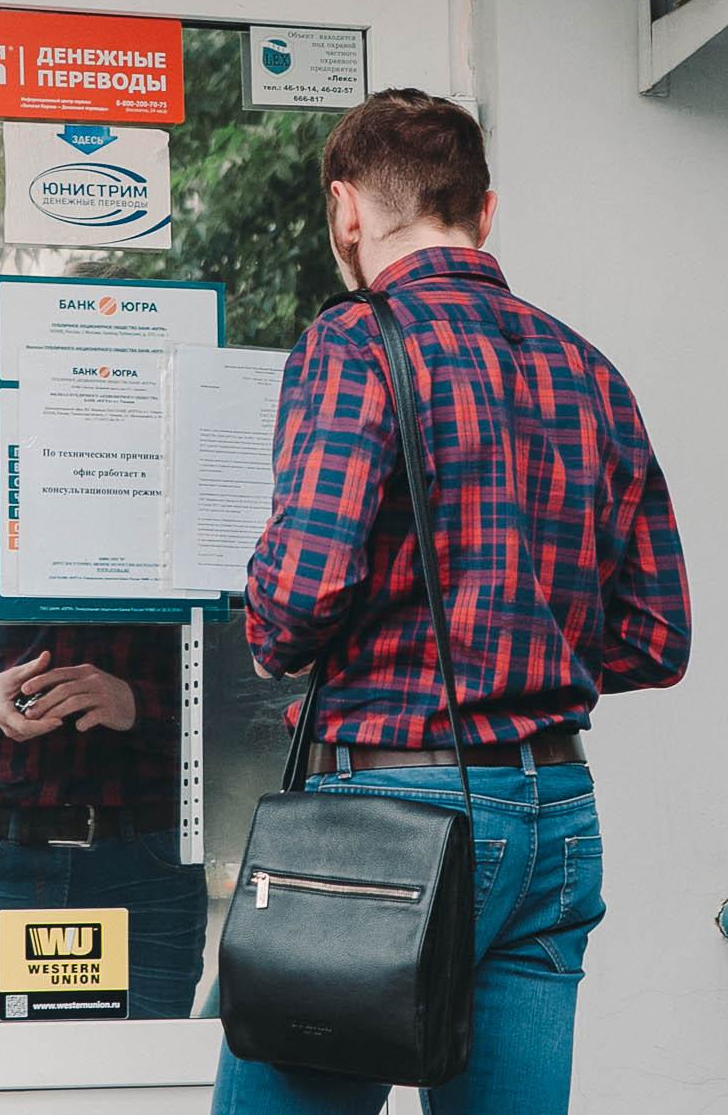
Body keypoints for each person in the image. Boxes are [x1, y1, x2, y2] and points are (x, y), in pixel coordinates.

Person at [211, 90, 691, 1113]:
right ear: (486, 208)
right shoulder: (588, 370)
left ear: (348, 212)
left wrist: (284, 621)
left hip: (386, 810)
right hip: (554, 820)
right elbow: (655, 637)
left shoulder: (356, 344)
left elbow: (297, 600)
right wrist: (517, 655)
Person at [0, 469, 209, 1023]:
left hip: (148, 869)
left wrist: (137, 705)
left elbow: (262, 699)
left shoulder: (184, 497)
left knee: (138, 1091)